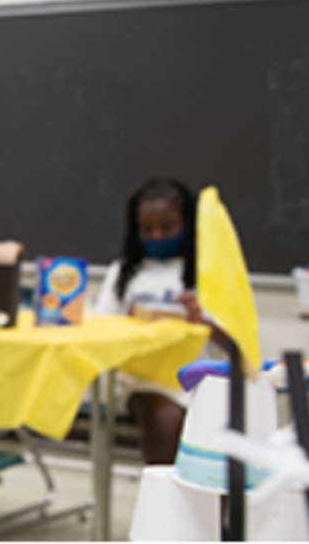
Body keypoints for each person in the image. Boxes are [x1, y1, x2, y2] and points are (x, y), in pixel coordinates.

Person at [93, 177, 228, 465]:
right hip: (139, 379)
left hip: (199, 376)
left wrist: (201, 321)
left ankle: (205, 506)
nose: (156, 236)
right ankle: (164, 500)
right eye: (146, 229)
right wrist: (127, 324)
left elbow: (239, 347)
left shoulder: (210, 272)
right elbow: (99, 330)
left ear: (187, 225)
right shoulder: (123, 273)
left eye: (167, 228)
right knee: (162, 417)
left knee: (217, 433)